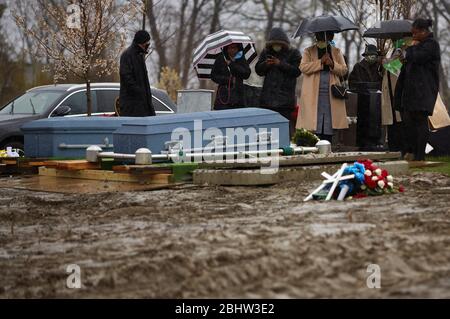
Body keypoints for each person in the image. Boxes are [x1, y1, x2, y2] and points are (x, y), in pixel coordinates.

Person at [395, 18, 441, 161]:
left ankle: (420, 155)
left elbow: (418, 57)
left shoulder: (431, 45)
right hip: (410, 93)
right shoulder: (418, 45)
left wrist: (409, 50)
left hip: (423, 92)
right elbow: (410, 63)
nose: (413, 36)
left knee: (420, 121)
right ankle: (411, 151)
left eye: (415, 34)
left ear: (423, 32)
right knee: (408, 122)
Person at [296, 31, 349, 142]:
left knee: (330, 121)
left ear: (329, 38)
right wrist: (320, 62)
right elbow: (303, 67)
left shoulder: (336, 51)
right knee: (314, 122)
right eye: (320, 38)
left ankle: (328, 145)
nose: (322, 41)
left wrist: (332, 64)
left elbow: (344, 70)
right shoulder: (308, 51)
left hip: (331, 93)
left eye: (324, 39)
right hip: (313, 92)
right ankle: (315, 145)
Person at [255, 27, 301, 137]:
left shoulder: (294, 53)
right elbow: (258, 70)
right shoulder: (266, 52)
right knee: (266, 132)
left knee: (284, 131)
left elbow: (297, 71)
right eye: (274, 44)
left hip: (285, 101)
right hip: (267, 100)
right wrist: (266, 64)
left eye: (279, 44)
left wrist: (280, 64)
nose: (276, 47)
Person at [380, 37, 413, 152]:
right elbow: (385, 69)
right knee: (391, 122)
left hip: (399, 90)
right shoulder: (389, 51)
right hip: (388, 91)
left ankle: (404, 148)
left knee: (400, 121)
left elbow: (391, 65)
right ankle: (393, 147)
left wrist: (386, 60)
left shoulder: (402, 52)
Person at [349, 44, 384, 151]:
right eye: (369, 55)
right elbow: (352, 82)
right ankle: (362, 142)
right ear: (365, 55)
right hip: (362, 100)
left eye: (374, 55)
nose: (371, 57)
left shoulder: (380, 67)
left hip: (377, 100)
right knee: (363, 122)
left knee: (376, 121)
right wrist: (361, 87)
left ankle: (375, 142)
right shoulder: (358, 67)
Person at [119, 30, 156, 117]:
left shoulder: (139, 55)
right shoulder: (127, 55)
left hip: (142, 106)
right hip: (133, 108)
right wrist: (140, 93)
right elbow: (127, 78)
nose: (148, 45)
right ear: (142, 43)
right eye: (147, 43)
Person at [211, 43, 251, 110]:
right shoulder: (221, 59)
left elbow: (246, 74)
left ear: (238, 48)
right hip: (223, 96)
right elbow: (213, 76)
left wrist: (232, 64)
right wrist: (228, 80)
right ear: (226, 48)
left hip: (238, 96)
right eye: (230, 48)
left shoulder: (241, 59)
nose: (232, 50)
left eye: (235, 48)